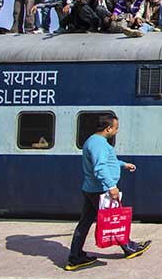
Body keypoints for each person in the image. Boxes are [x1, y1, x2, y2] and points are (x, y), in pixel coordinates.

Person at [65, 115, 151, 271]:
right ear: (108, 128)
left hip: (91, 188)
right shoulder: (99, 145)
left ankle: (75, 257)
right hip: (100, 190)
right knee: (115, 220)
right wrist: (111, 186)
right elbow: (100, 167)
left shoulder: (93, 141)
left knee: (85, 224)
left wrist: (124, 164)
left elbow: (108, 161)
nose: (117, 131)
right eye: (116, 128)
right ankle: (129, 248)